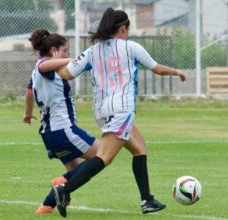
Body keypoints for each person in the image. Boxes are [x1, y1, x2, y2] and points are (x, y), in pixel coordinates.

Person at [52, 8, 186, 217]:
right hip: (121, 110)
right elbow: (156, 68)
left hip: (101, 111)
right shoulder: (131, 47)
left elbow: (66, 73)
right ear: (123, 28)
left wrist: (45, 64)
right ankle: (64, 189)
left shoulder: (92, 51)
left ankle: (147, 200)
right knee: (103, 158)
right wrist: (176, 71)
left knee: (140, 149)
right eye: (127, 29)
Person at [23, 28, 100, 214]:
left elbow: (28, 91)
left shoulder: (42, 70)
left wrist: (27, 113)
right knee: (102, 155)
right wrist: (69, 60)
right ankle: (61, 183)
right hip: (63, 130)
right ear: (53, 51)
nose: (67, 53)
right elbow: (44, 67)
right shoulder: (43, 67)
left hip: (51, 134)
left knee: (80, 171)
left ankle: (46, 206)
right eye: (64, 50)